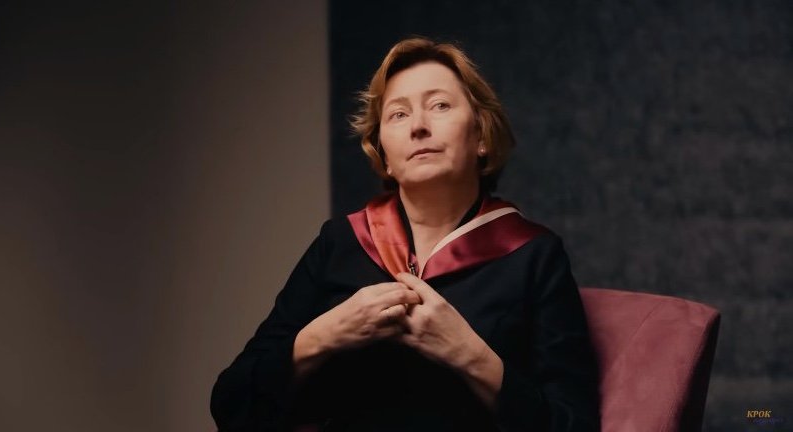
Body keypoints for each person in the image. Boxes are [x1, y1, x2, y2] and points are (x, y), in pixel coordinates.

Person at [210, 37, 600, 432]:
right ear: (384, 155)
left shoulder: (533, 255)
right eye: (398, 114)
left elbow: (574, 424)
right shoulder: (341, 242)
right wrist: (323, 334)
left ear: (481, 136)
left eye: (440, 106)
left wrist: (471, 356)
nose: (418, 127)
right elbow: (232, 404)